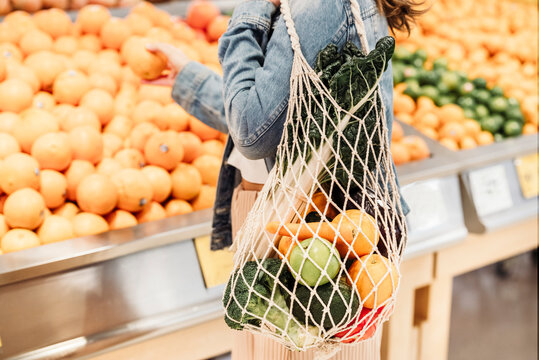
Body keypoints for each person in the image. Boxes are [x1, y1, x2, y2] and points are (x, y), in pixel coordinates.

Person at [148, 0, 424, 358]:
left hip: (302, 227)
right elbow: (279, 120)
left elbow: (252, 133)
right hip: (316, 228)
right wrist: (191, 79)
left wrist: (251, 9)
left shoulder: (321, 5)